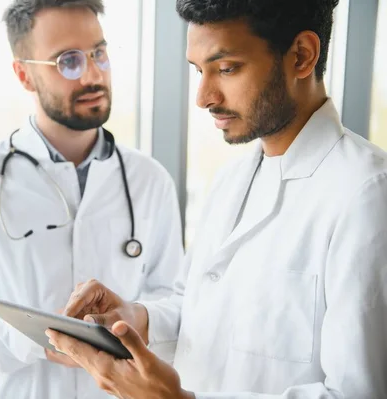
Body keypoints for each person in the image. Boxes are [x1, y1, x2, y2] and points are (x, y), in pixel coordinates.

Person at [47, 0, 387, 398]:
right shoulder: (230, 181)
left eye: (226, 68)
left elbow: (359, 392)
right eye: (198, 70)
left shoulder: (367, 194)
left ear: (301, 56)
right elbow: (198, 309)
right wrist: (136, 319)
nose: (204, 96)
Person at [0, 0, 184, 398]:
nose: (93, 74)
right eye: (68, 62)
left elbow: (178, 299)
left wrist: (136, 317)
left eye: (99, 54)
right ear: (24, 75)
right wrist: (34, 341)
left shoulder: (149, 180)